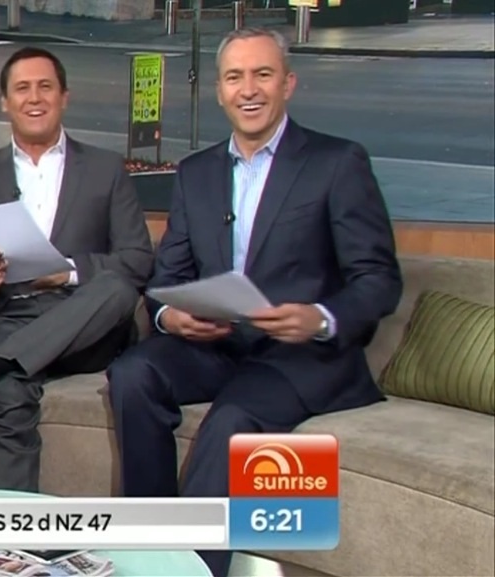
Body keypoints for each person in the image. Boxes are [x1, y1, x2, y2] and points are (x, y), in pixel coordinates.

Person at [105, 27, 402, 577]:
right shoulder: (196, 173)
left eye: (263, 74)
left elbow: (378, 278)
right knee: (132, 374)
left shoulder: (337, 162)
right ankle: (148, 543)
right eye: (235, 77)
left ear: (287, 83)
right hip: (216, 345)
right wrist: (173, 316)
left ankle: (188, 570)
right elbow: (167, 277)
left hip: (301, 356)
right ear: (219, 91)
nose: (249, 90)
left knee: (233, 419)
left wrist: (320, 318)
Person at [0, 46, 155, 492]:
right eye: (22, 89)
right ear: (5, 102)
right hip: (5, 315)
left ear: (64, 97)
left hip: (82, 322)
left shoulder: (106, 169)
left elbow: (138, 258)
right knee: (4, 389)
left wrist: (67, 272)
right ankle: (21, 527)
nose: (34, 98)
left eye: (45, 87)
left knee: (116, 288)